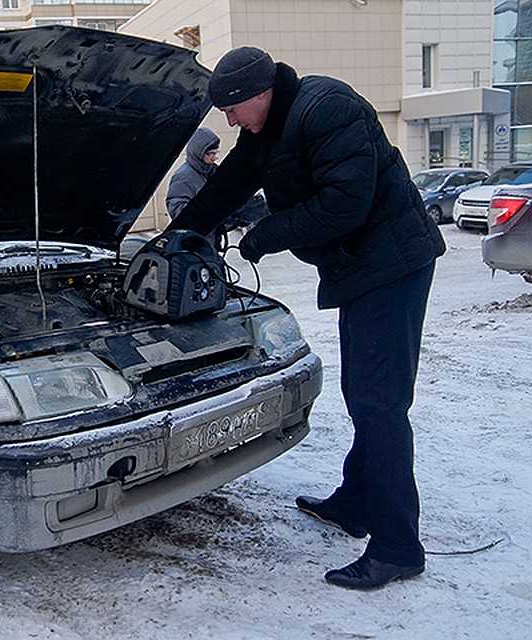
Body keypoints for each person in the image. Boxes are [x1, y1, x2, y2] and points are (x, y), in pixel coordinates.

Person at [167, 47, 446, 590]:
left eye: (232, 108)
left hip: (392, 264)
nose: (228, 121)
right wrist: (182, 234)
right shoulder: (271, 124)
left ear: (261, 92)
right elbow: (229, 185)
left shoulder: (328, 108)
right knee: (367, 393)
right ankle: (355, 503)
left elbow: (346, 204)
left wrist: (266, 236)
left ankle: (397, 547)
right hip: (363, 268)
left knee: (380, 402)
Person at [166, 128, 268, 236]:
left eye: (215, 153)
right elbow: (179, 213)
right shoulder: (183, 177)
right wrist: (217, 215)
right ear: (198, 152)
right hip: (191, 241)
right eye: (210, 154)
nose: (214, 157)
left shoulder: (213, 171)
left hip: (210, 240)